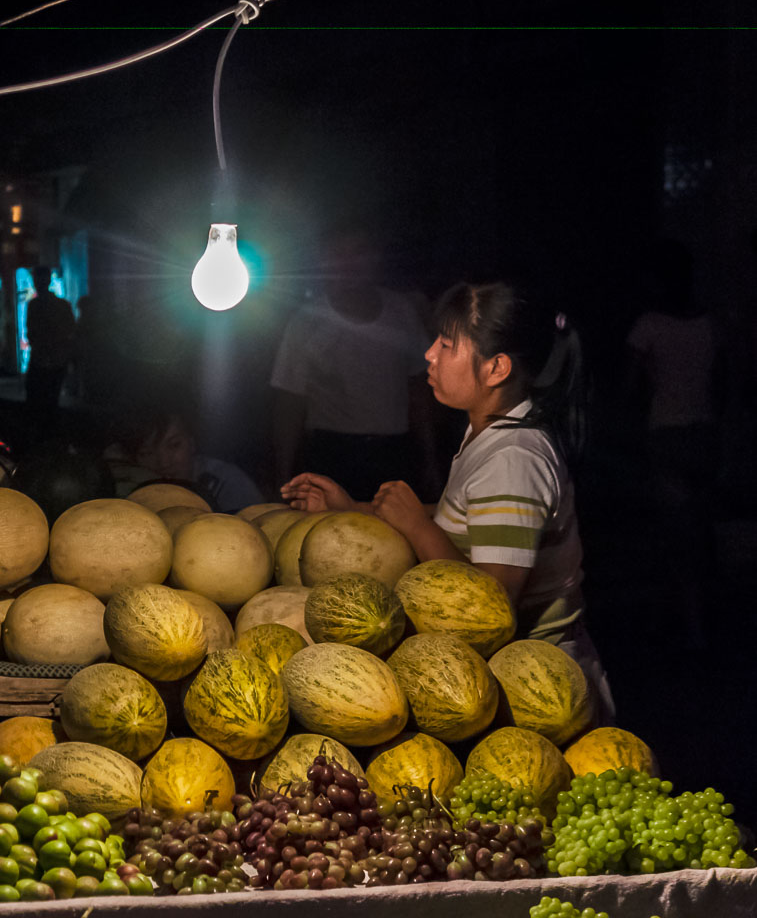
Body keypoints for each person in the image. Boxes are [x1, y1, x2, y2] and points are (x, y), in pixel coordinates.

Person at [282, 281, 613, 716]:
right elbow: (468, 522)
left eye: (447, 344)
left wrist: (417, 527)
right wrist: (353, 510)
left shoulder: (513, 458)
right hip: (502, 677)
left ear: (496, 368)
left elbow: (490, 606)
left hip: (537, 689)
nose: (429, 354)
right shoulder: (491, 435)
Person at [269, 229, 438, 500]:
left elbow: (419, 388)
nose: (348, 264)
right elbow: (289, 402)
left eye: (358, 252)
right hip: (333, 453)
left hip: (395, 453)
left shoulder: (402, 311)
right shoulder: (307, 321)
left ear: (375, 257)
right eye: (338, 254)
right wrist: (282, 473)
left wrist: (430, 459)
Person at [624, 240, 720, 647]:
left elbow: (628, 387)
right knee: (695, 531)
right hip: (704, 432)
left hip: (666, 433)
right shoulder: (709, 323)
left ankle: (692, 629)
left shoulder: (648, 325)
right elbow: (720, 381)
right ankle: (680, 620)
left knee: (675, 536)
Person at [111, 405, 264, 513]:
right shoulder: (128, 485)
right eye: (147, 453)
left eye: (174, 445)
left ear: (192, 442)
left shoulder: (228, 483)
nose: (164, 462)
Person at [23, 266, 75, 419]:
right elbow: (70, 329)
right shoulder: (62, 304)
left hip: (40, 358)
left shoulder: (33, 305)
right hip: (57, 359)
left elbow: (31, 331)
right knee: (51, 400)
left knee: (36, 400)